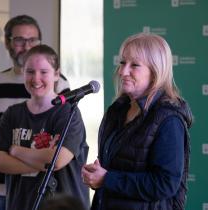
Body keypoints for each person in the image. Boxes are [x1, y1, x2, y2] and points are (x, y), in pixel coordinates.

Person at [82, 33, 193, 210]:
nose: (123, 71)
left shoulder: (169, 120)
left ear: (156, 72)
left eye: (134, 65)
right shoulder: (116, 110)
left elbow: (165, 184)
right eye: (122, 63)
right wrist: (96, 176)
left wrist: (107, 178)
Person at [0, 15, 70, 210]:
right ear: (8, 43)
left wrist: (15, 154)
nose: (26, 46)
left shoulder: (60, 84)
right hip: (0, 192)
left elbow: (62, 147)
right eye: (19, 40)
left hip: (41, 192)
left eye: (32, 40)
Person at [0, 44, 90, 210]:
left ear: (56, 74)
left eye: (44, 72)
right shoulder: (12, 114)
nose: (36, 79)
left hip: (62, 205)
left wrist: (16, 151)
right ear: (23, 73)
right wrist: (43, 159)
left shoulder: (68, 113)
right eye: (30, 71)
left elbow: (58, 160)